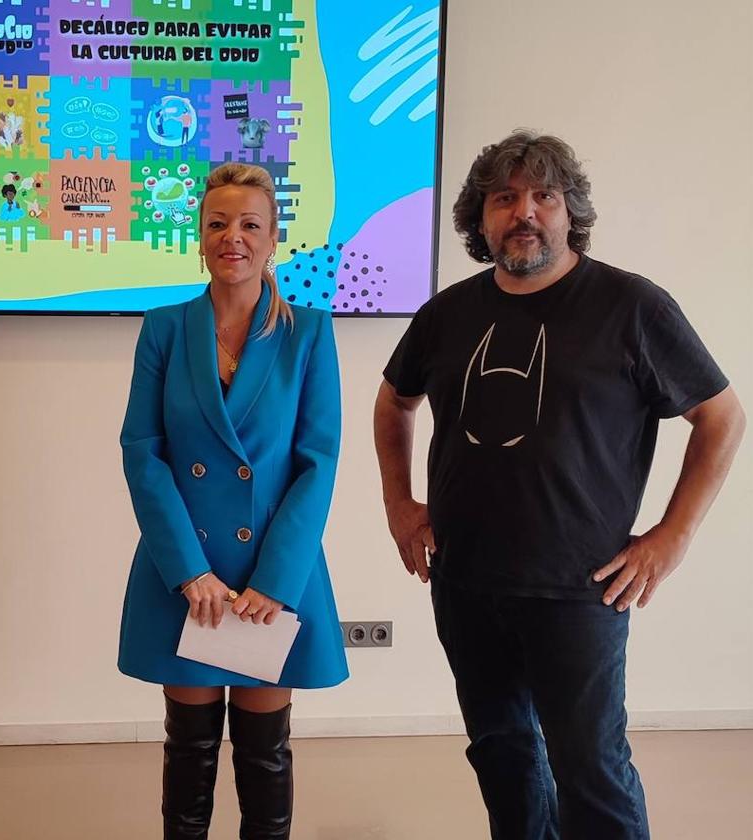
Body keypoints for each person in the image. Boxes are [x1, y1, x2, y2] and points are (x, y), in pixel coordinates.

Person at [373, 131, 745, 839]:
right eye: (505, 198)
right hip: (465, 580)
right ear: (479, 220)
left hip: (582, 587)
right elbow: (394, 402)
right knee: (502, 754)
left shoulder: (633, 307)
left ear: (570, 210)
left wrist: (671, 538)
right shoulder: (446, 314)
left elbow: (721, 418)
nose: (525, 212)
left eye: (544, 195)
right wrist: (399, 503)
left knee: (589, 766)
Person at [118, 162, 348, 838]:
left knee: (264, 753)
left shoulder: (307, 332)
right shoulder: (164, 327)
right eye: (218, 223)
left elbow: (319, 461)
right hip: (187, 573)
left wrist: (276, 582)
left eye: (250, 224)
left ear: (274, 237)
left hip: (270, 575)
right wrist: (190, 572)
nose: (233, 237)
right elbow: (143, 450)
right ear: (199, 235)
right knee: (188, 749)